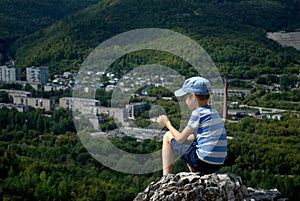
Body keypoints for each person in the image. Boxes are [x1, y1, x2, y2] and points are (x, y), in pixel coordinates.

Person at [156, 76, 227, 177]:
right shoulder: (214, 113)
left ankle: (165, 177)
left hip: (202, 162)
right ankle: (195, 175)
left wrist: (167, 123)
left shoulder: (197, 113)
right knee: (191, 145)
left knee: (168, 136)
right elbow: (194, 137)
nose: (185, 101)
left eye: (186, 97)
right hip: (217, 164)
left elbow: (180, 140)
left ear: (193, 97)